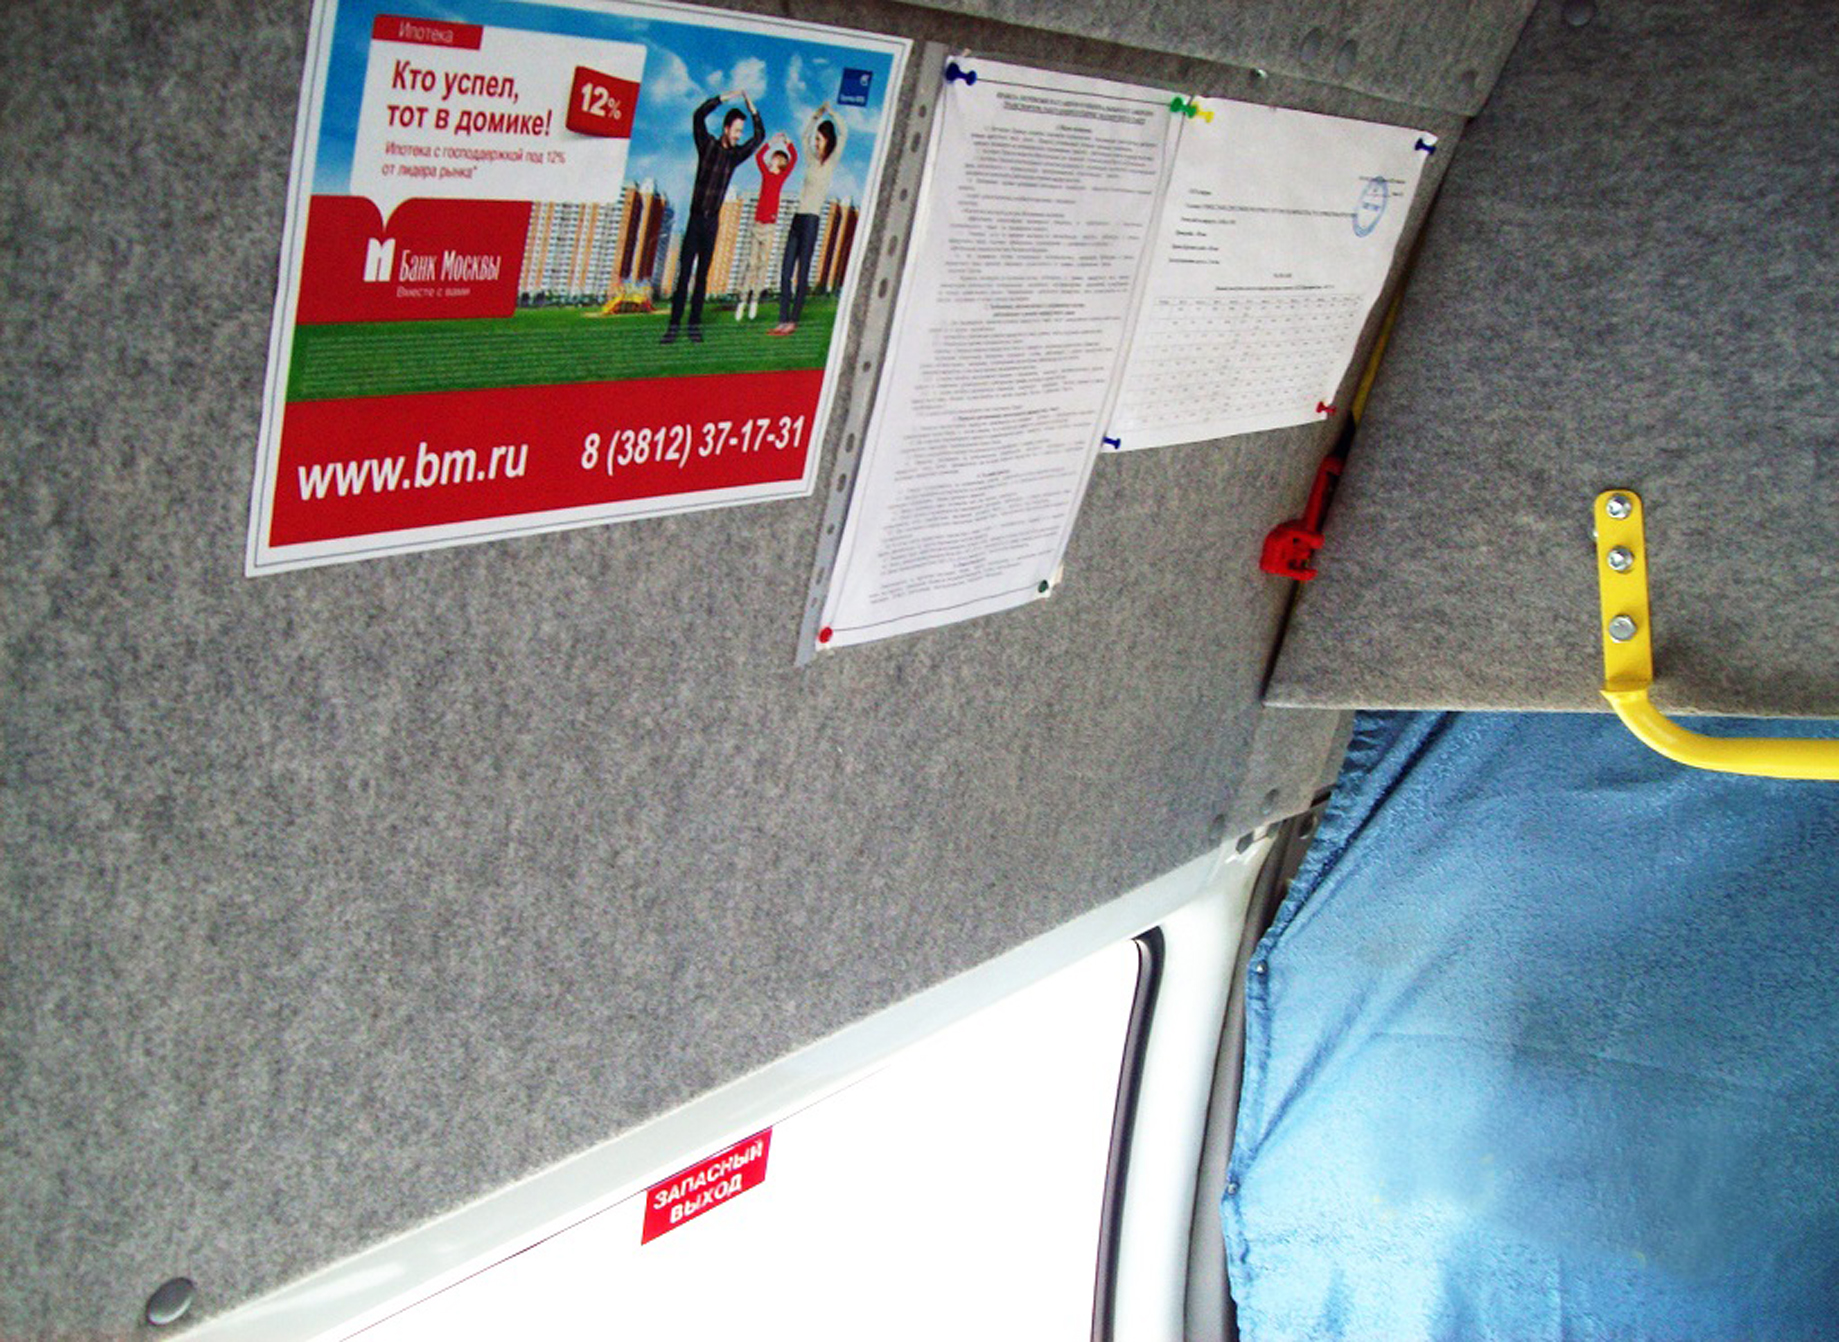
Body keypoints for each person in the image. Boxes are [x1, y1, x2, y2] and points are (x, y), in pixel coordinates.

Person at [662, 89, 763, 345]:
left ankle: (694, 327)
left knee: (702, 277)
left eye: (741, 131)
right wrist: (724, 98)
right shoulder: (706, 145)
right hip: (695, 221)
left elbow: (759, 137)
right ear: (726, 128)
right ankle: (673, 327)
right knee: (684, 275)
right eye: (736, 130)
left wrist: (752, 109)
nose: (739, 135)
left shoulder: (734, 157)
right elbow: (698, 116)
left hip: (712, 223)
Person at [772, 103, 847, 337]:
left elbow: (844, 132)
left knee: (802, 273)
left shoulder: (831, 162)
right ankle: (782, 320)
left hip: (812, 221)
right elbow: (804, 136)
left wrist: (831, 113)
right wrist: (816, 116)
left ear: (828, 140)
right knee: (785, 272)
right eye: (816, 139)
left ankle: (793, 321)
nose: (815, 142)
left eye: (819, 139)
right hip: (797, 219)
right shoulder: (811, 160)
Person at [737, 135, 796, 322]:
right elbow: (758, 156)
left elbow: (794, 158)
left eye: (775, 159)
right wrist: (772, 142)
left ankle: (755, 300)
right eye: (772, 158)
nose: (771, 161)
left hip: (770, 227)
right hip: (757, 225)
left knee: (763, 264)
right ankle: (742, 301)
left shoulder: (781, 178)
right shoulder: (765, 174)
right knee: (751, 264)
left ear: (781, 163)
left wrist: (787, 143)